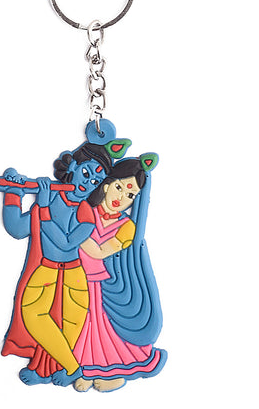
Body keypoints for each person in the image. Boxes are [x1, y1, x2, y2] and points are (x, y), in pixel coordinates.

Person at [0, 142, 118, 386]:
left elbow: (66, 242)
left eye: (95, 181)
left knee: (66, 328)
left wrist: (43, 207)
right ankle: (66, 368)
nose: (88, 182)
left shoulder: (86, 212)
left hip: (73, 278)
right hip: (46, 270)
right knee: (33, 316)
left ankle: (50, 370)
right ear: (71, 166)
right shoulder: (50, 196)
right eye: (86, 173)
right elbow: (17, 229)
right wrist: (13, 192)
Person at [72, 156, 167, 392]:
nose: (122, 197)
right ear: (106, 185)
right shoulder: (86, 210)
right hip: (71, 276)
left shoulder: (127, 227)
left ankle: (107, 371)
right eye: (119, 187)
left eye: (131, 194)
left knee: (96, 326)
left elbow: (100, 251)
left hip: (99, 284)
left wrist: (75, 235)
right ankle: (84, 368)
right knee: (76, 324)